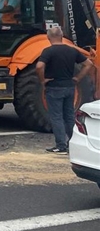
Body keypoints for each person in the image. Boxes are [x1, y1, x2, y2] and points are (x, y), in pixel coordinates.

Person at [35, 26, 94, 154]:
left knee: (56, 117)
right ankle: (73, 144)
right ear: (62, 36)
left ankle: (61, 146)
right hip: (70, 88)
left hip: (54, 87)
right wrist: (78, 78)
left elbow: (39, 66)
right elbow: (89, 64)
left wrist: (42, 80)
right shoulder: (72, 50)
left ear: (48, 37)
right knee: (69, 116)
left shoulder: (48, 51)